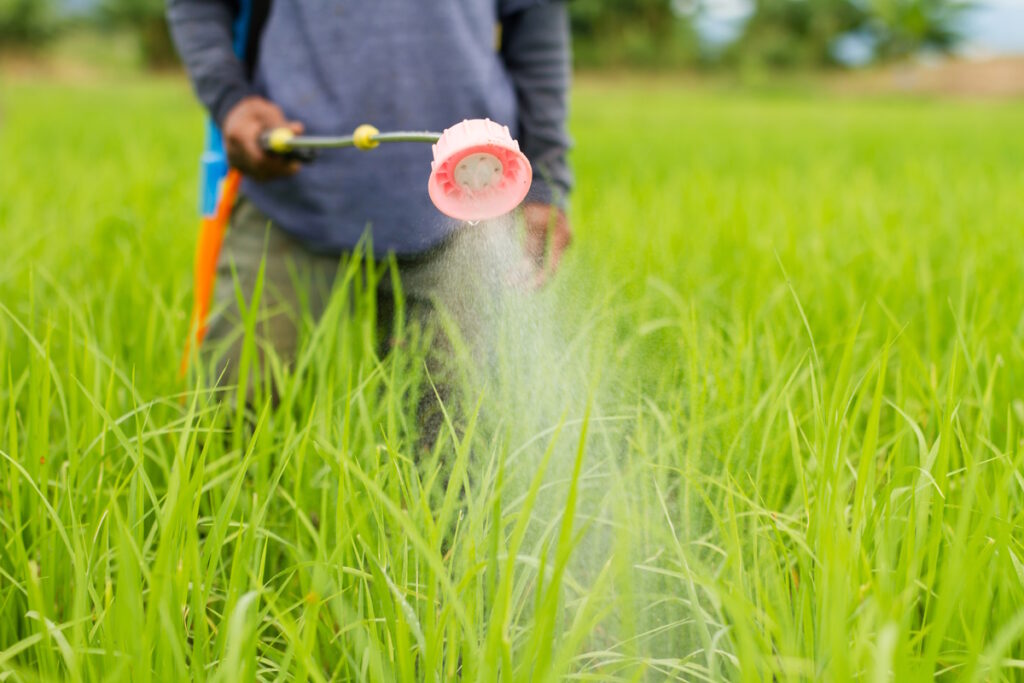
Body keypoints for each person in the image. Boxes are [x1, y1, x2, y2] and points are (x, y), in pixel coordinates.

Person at [167, 0, 574, 420]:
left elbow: (536, 15)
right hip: (287, 194)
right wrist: (230, 100)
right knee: (232, 424)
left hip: (467, 208)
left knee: (453, 446)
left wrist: (543, 180)